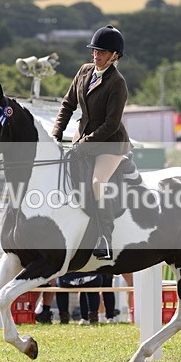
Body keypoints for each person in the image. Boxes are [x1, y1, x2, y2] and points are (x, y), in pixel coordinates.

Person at [51, 24, 131, 260]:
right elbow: (68, 105)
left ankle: (105, 237)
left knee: (97, 182)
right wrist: (56, 133)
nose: (96, 56)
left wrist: (84, 143)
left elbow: (111, 124)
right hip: (82, 139)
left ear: (115, 56)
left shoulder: (117, 83)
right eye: (94, 51)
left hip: (110, 143)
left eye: (102, 52)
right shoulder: (84, 71)